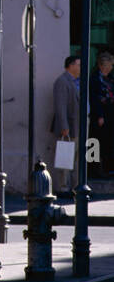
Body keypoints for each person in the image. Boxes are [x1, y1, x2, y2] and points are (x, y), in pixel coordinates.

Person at [50, 55, 81, 196]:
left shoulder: (77, 81)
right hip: (68, 127)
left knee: (76, 158)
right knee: (66, 157)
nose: (81, 68)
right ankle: (63, 188)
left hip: (78, 125)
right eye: (78, 64)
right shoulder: (62, 81)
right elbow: (60, 105)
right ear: (71, 66)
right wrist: (64, 125)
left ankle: (76, 187)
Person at [89, 51, 114, 177]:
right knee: (95, 142)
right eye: (107, 65)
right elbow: (94, 98)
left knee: (107, 142)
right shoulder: (94, 79)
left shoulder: (109, 78)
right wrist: (99, 115)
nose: (109, 68)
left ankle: (106, 168)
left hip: (109, 115)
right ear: (101, 65)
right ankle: (93, 170)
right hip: (98, 115)